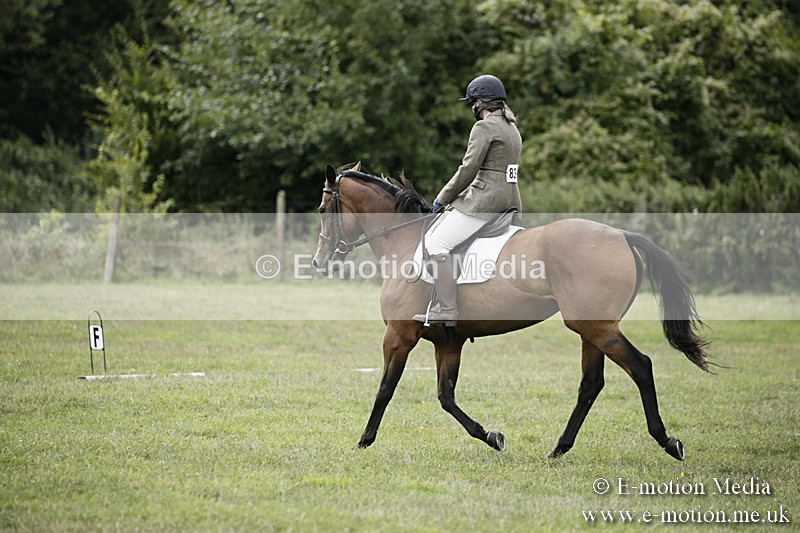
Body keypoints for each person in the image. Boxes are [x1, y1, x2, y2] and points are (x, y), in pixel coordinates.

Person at [413, 74, 523, 325]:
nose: (472, 107)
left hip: (485, 201)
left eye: (472, 102)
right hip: (510, 200)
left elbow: (468, 169)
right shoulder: (512, 128)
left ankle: (446, 309)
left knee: (436, 245)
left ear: (480, 102)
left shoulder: (483, 127)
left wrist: (443, 198)